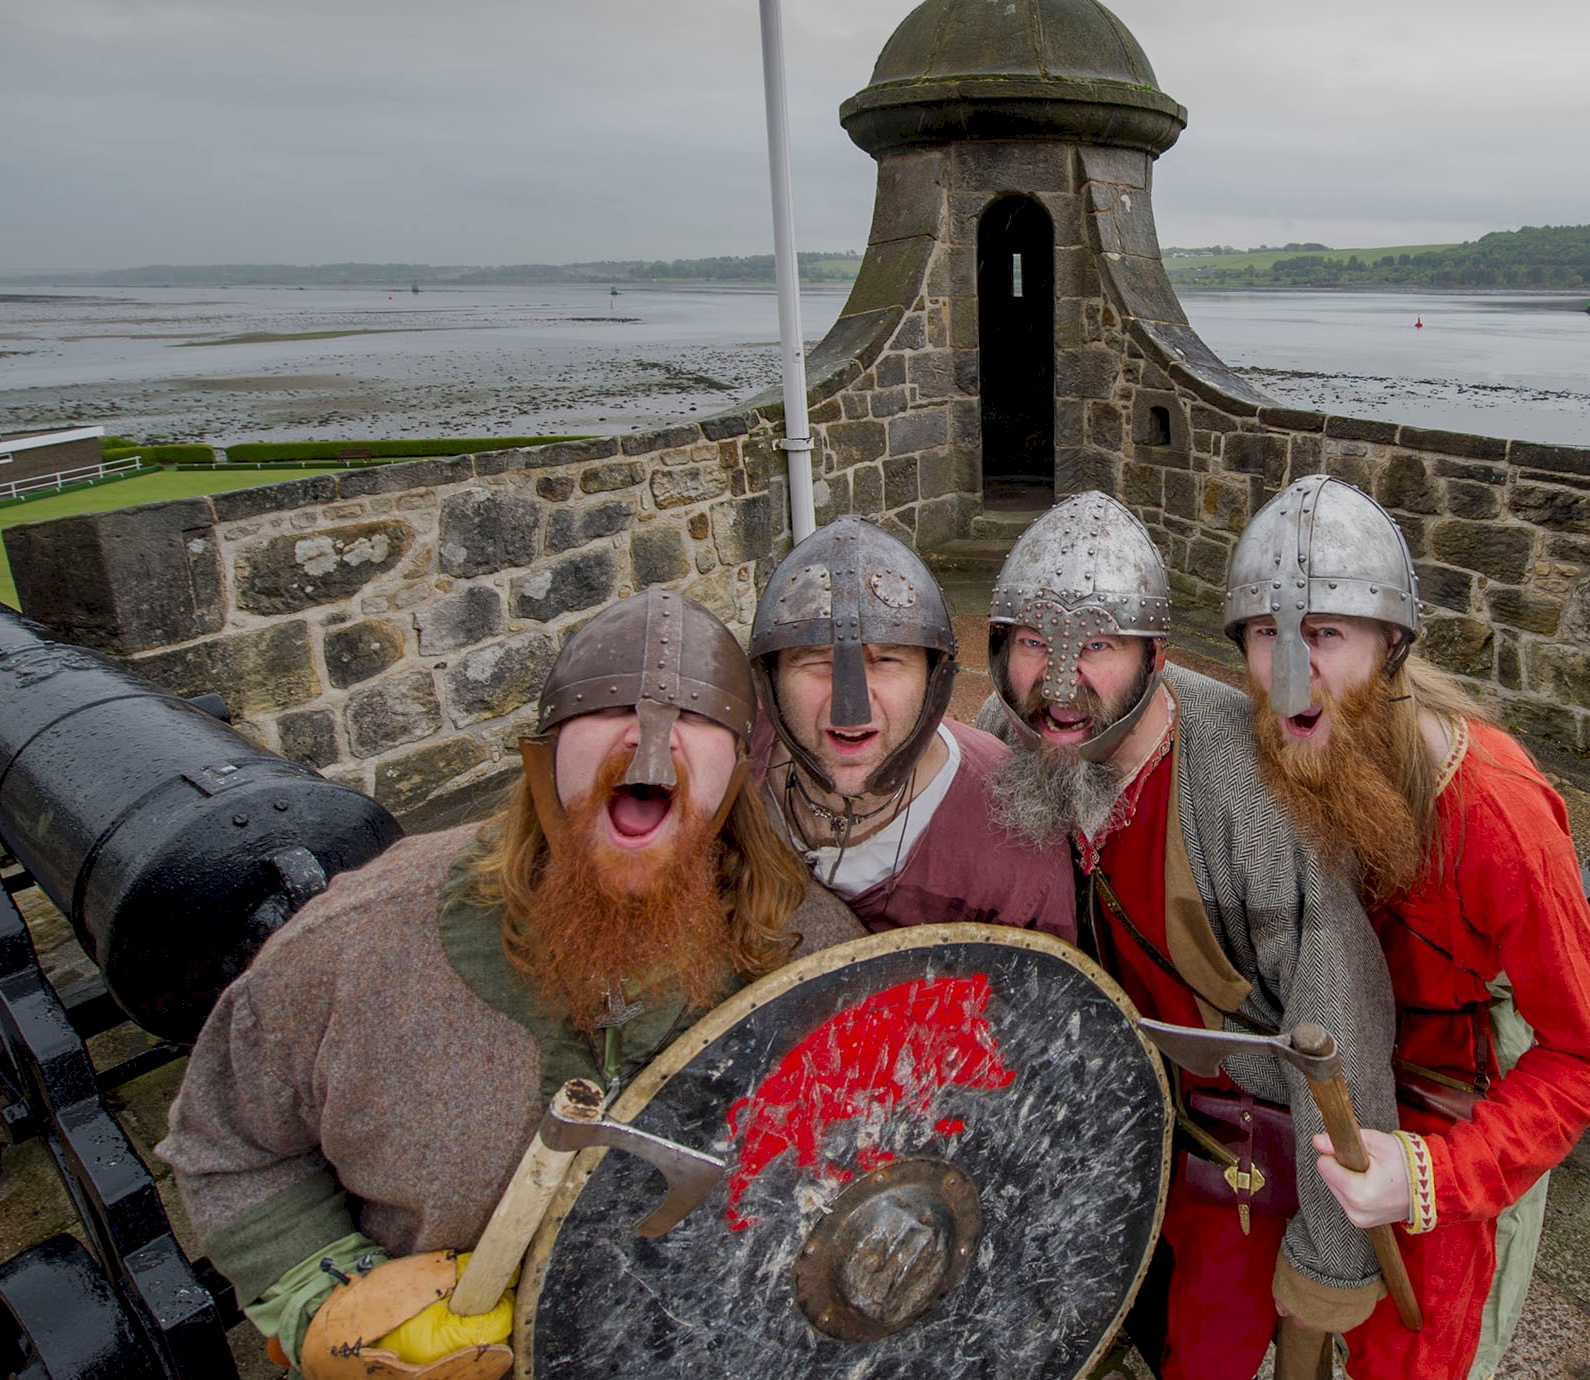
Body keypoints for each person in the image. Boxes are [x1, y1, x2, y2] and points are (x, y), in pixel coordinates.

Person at [158, 589, 862, 1378]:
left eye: (696, 718)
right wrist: (325, 1294)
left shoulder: (816, 956)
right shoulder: (353, 945)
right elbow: (231, 1141)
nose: (649, 739)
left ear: (737, 769)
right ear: (545, 749)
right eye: (609, 707)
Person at [974, 490, 1399, 1380]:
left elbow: (1338, 1024)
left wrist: (1330, 1259)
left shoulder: (1247, 784)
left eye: (1094, 645)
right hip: (1089, 1107)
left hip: (1230, 1139)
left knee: (1207, 1353)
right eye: (1032, 643)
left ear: (1154, 658)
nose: (1058, 682)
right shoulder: (1000, 737)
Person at [1224, 475, 1590, 1380]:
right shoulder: (1265, 748)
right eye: (1267, 635)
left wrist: (1432, 1180)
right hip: (1312, 1094)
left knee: (1411, 1358)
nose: (1291, 672)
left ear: (1393, 643)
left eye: (1325, 633)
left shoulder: (1496, 808)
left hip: (1444, 1112)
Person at [747, 515, 1072, 939]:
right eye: (815, 661)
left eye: (886, 660)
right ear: (771, 679)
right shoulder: (731, 770)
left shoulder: (1019, 844)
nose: (851, 708)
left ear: (932, 679)